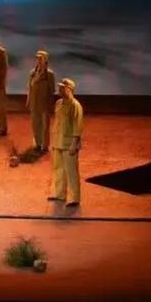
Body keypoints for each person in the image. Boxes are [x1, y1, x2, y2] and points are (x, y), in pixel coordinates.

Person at [49, 78, 84, 207]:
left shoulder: (75, 105)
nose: (59, 90)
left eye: (62, 88)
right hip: (58, 141)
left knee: (71, 171)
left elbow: (77, 126)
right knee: (58, 169)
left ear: (69, 90)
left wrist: (74, 143)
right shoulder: (59, 103)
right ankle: (60, 194)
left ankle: (74, 198)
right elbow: (57, 123)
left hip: (69, 144)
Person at [27, 50, 56, 152]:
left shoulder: (49, 74)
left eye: (41, 58)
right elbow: (29, 88)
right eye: (37, 58)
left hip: (44, 103)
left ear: (45, 60)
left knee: (45, 125)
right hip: (34, 102)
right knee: (35, 124)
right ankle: (38, 143)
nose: (38, 60)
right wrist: (28, 100)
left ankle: (45, 144)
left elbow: (52, 90)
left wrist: (50, 103)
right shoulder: (33, 73)